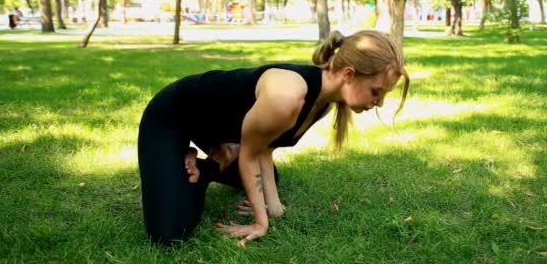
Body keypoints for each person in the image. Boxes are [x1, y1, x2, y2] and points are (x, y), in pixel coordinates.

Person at [137, 30, 410, 246]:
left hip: (221, 131)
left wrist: (275, 208)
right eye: (376, 91)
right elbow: (251, 155)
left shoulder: (323, 102)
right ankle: (190, 156)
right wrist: (260, 222)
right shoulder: (287, 96)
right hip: (171, 116)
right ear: (349, 74)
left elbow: (265, 148)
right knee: (169, 233)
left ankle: (212, 161)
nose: (380, 103)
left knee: (271, 180)